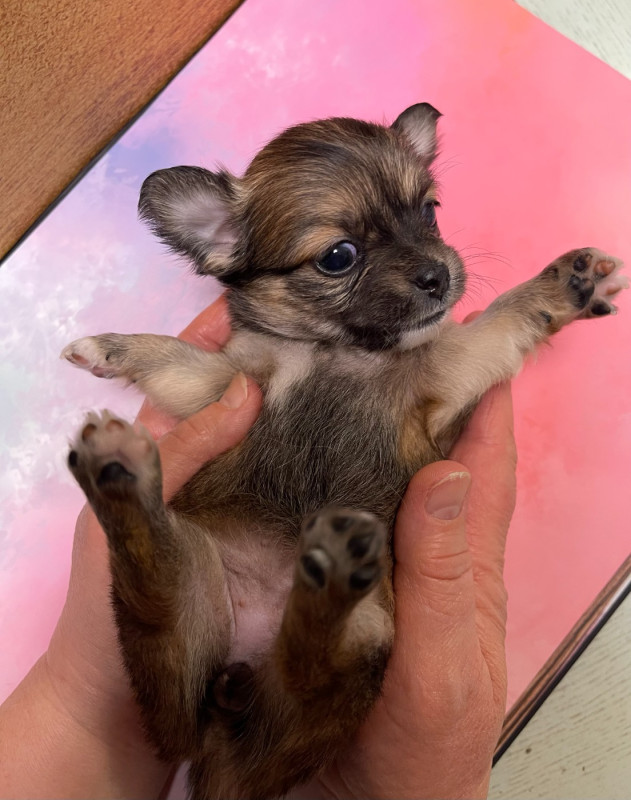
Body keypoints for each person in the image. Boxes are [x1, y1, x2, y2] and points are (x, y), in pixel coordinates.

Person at [0, 296, 516, 800]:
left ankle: (138, 524)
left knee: (171, 632)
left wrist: (78, 703)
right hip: (250, 592)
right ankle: (319, 609)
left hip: (216, 597)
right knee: (348, 654)